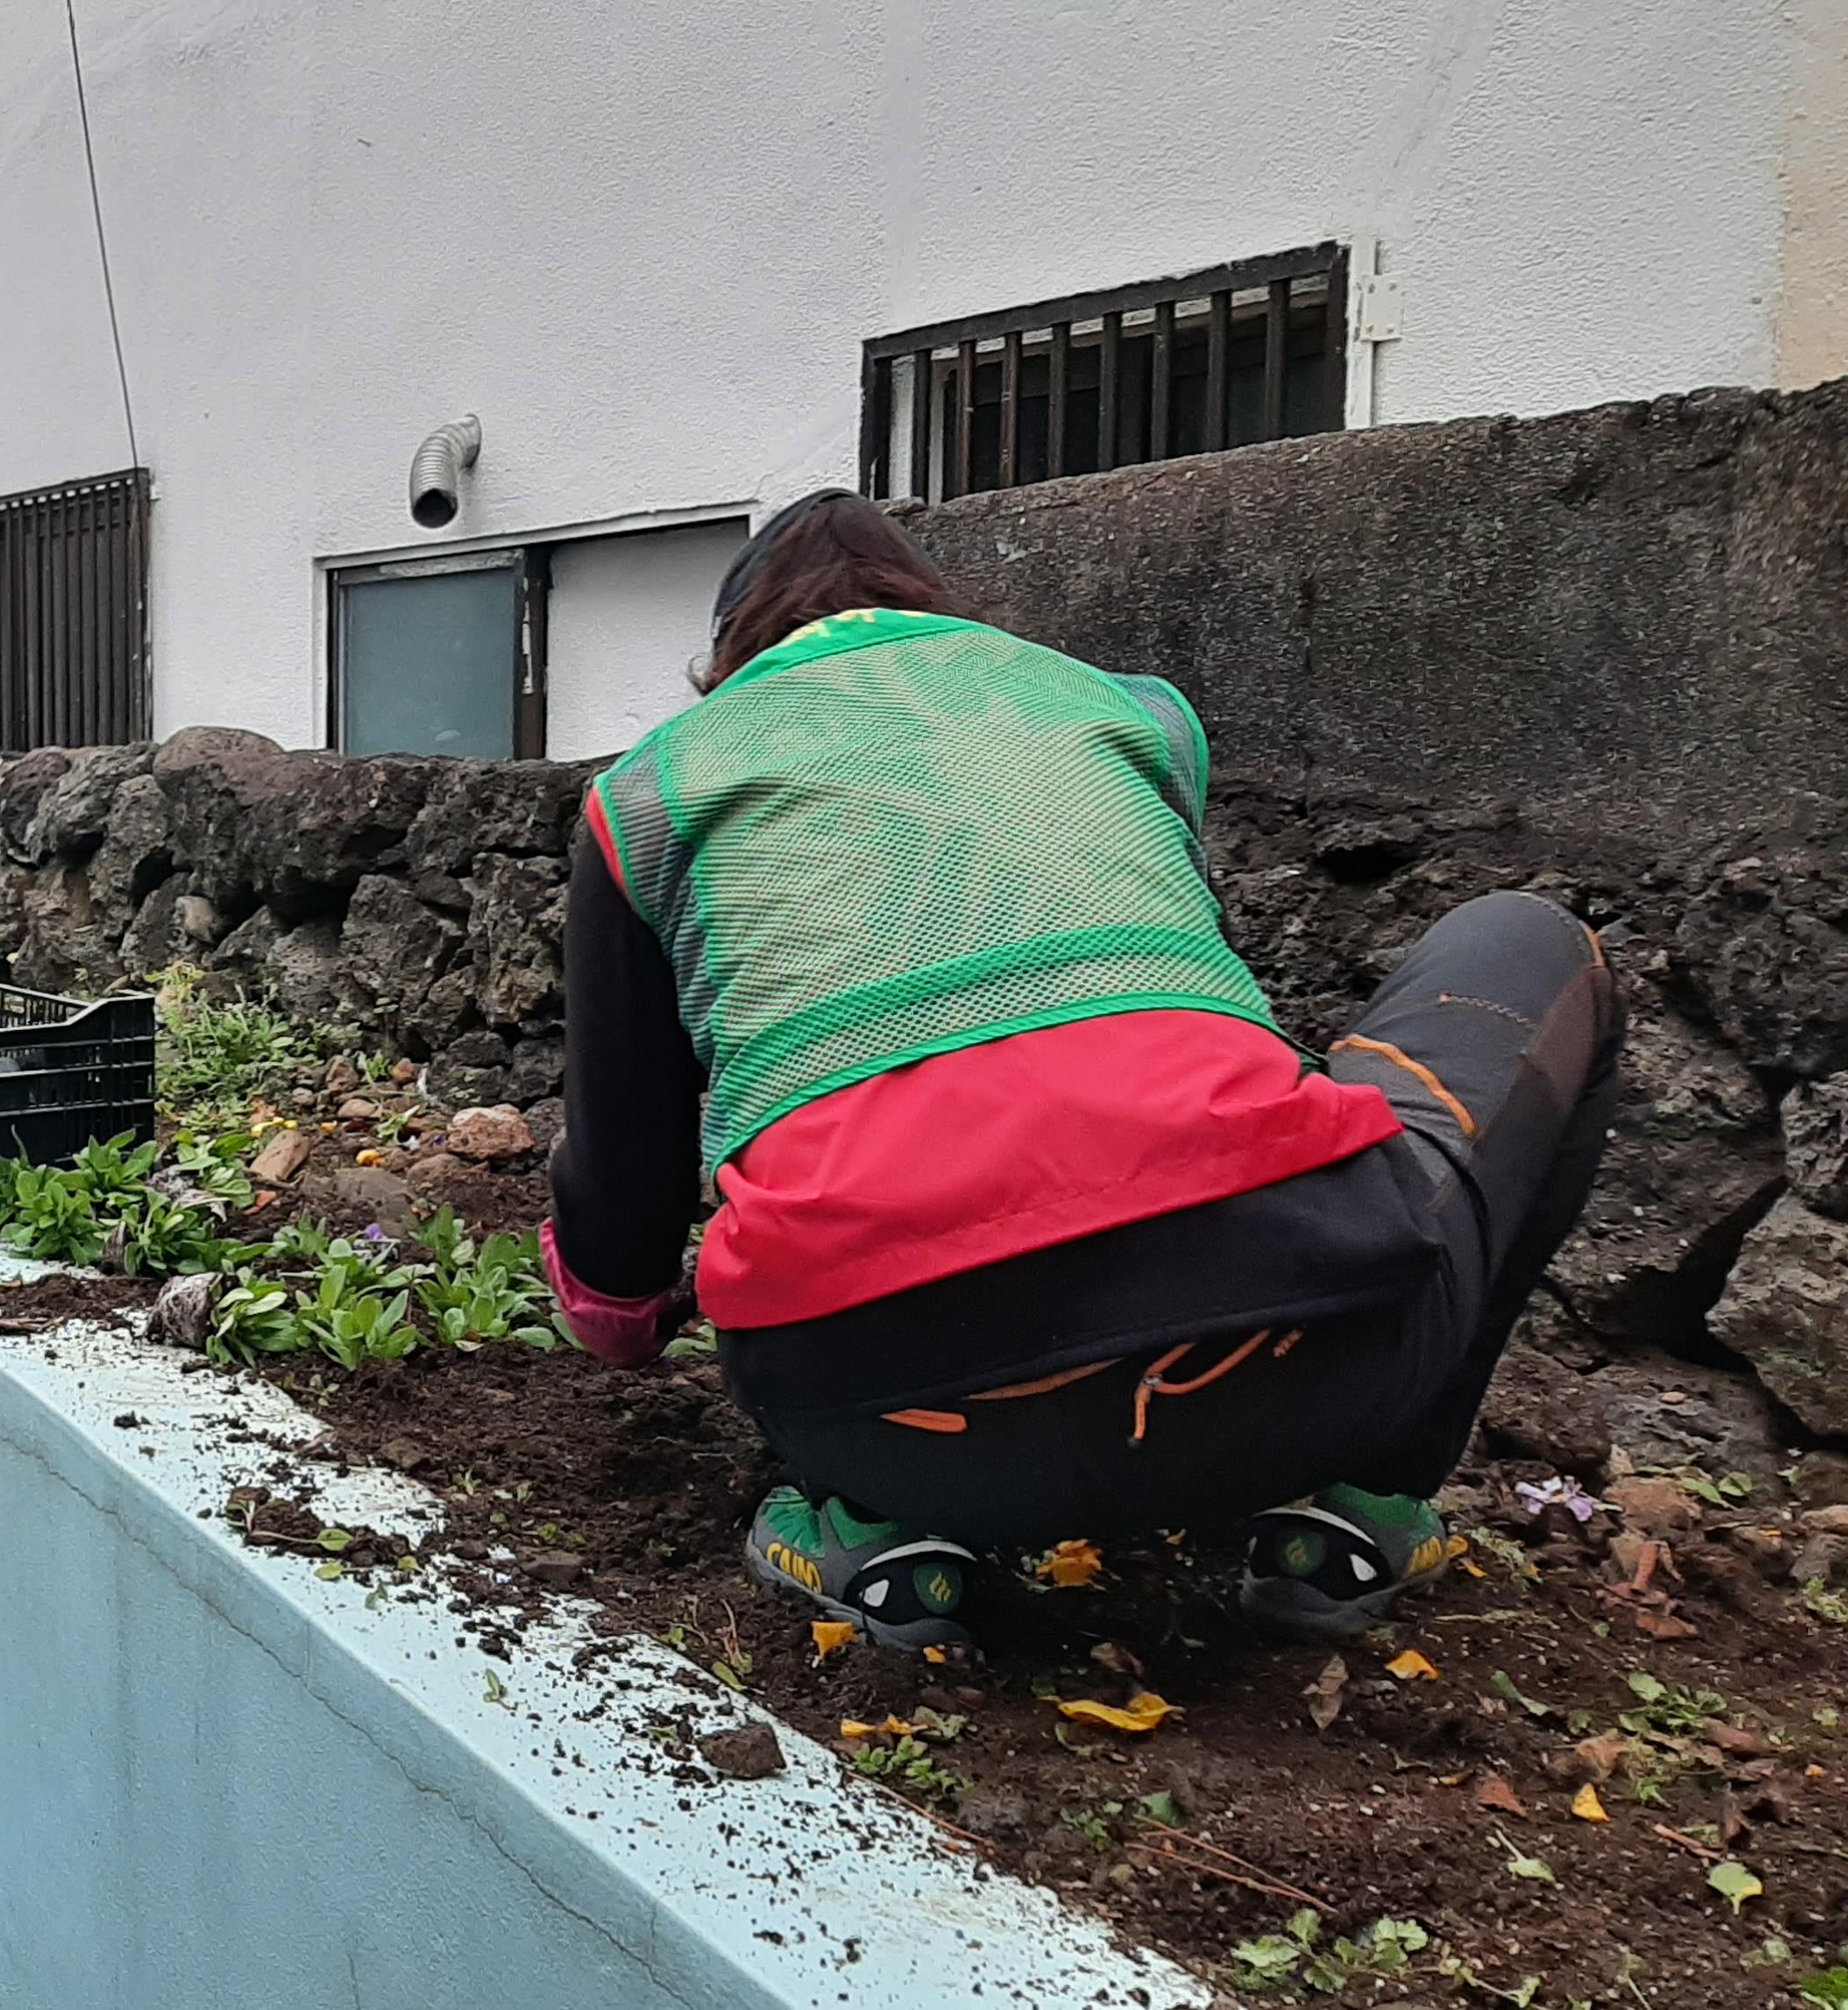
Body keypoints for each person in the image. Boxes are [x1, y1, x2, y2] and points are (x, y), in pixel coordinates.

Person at [544, 493, 1622, 1651]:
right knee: (1536, 943)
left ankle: (875, 1536)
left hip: (881, 1421)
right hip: (1308, 1372)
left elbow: (621, 1261)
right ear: (942, 619)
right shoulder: (1123, 716)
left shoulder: (651, 794)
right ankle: (1359, 1505)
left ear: (730, 662)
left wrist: (622, 1321)